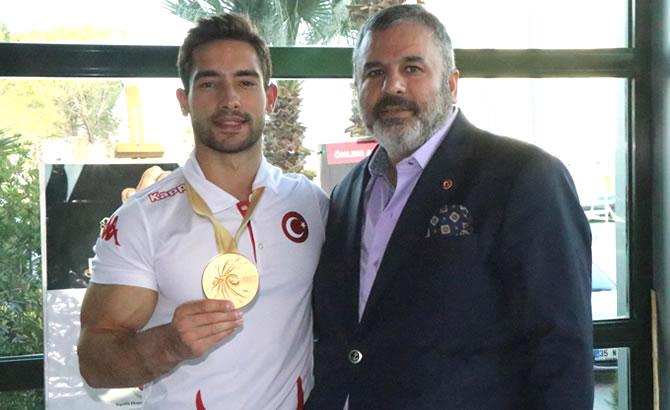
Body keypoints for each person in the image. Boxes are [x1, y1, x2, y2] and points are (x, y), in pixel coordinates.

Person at [306, 5, 593, 409]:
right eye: (374, 72)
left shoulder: (522, 177)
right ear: (358, 88)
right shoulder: (348, 192)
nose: (393, 86)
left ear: (452, 84)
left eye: (412, 68)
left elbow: (560, 348)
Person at [77, 13, 328, 410]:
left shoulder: (310, 203)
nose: (230, 100)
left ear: (271, 98)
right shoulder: (142, 218)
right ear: (184, 100)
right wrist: (168, 345)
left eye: (246, 82)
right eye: (209, 83)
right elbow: (94, 361)